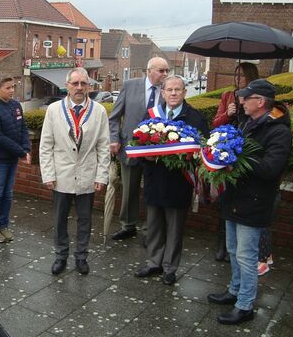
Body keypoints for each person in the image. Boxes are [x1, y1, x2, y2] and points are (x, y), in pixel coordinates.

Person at [208, 79, 291, 325]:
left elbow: (270, 168)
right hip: (235, 198)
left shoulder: (279, 131)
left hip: (254, 201)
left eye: (247, 97)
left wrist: (236, 158)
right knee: (234, 250)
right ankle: (234, 290)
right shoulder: (247, 123)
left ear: (261, 102)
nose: (241, 101)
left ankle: (245, 305)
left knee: (246, 256)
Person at [135, 76, 209, 285]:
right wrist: (145, 157)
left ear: (185, 92)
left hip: (179, 182)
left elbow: (203, 150)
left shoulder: (195, 118)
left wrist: (189, 157)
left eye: (178, 90)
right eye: (170, 90)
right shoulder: (151, 116)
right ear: (163, 93)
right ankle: (153, 262)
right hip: (155, 179)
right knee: (154, 224)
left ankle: (170, 267)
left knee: (175, 228)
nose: (174, 93)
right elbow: (137, 142)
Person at [40, 67, 110, 275]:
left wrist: (101, 176)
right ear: (67, 85)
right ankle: (61, 256)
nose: (79, 88)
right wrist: (49, 174)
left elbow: (103, 146)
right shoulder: (53, 110)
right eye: (75, 83)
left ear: (89, 86)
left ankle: (81, 257)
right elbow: (46, 146)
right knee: (60, 219)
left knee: (85, 219)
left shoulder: (99, 111)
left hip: (87, 174)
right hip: (61, 174)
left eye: (83, 84)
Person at [108, 57, 170, 240]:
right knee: (129, 189)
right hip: (130, 147)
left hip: (156, 151)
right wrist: (114, 139)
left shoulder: (169, 91)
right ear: (149, 70)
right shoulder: (129, 85)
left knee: (154, 190)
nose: (165, 74)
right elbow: (114, 116)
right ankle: (128, 225)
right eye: (161, 70)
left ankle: (151, 230)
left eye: (167, 71)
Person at [211, 62, 259, 262]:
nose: (237, 79)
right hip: (227, 151)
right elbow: (215, 124)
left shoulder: (255, 98)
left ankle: (241, 248)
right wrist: (227, 113)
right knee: (224, 199)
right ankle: (222, 244)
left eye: (242, 75)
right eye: (236, 75)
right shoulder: (228, 96)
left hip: (245, 153)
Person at [0, 76, 31, 243]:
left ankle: (3, 225)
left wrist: (26, 149)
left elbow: (23, 128)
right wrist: (20, 151)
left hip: (12, 158)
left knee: (8, 194)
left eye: (13, 87)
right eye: (8, 88)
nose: (12, 90)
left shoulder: (16, 105)